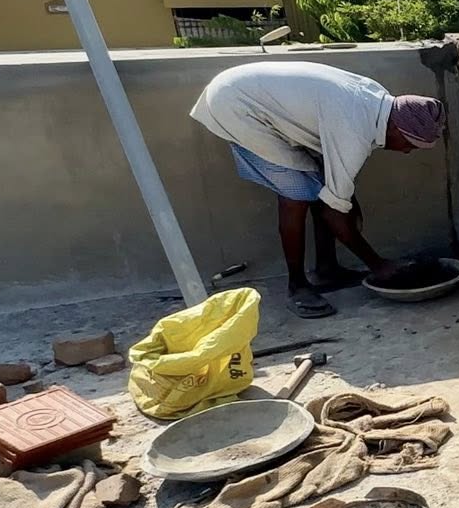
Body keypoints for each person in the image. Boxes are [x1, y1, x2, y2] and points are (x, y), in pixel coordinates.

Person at [190, 61, 445, 318]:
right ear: (396, 128)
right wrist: (378, 265)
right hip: (238, 106)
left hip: (248, 91)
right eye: (410, 144)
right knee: (297, 194)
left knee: (322, 189)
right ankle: (297, 286)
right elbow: (333, 211)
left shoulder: (378, 101)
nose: (407, 151)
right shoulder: (354, 131)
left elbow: (335, 192)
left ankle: (326, 269)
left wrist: (344, 198)